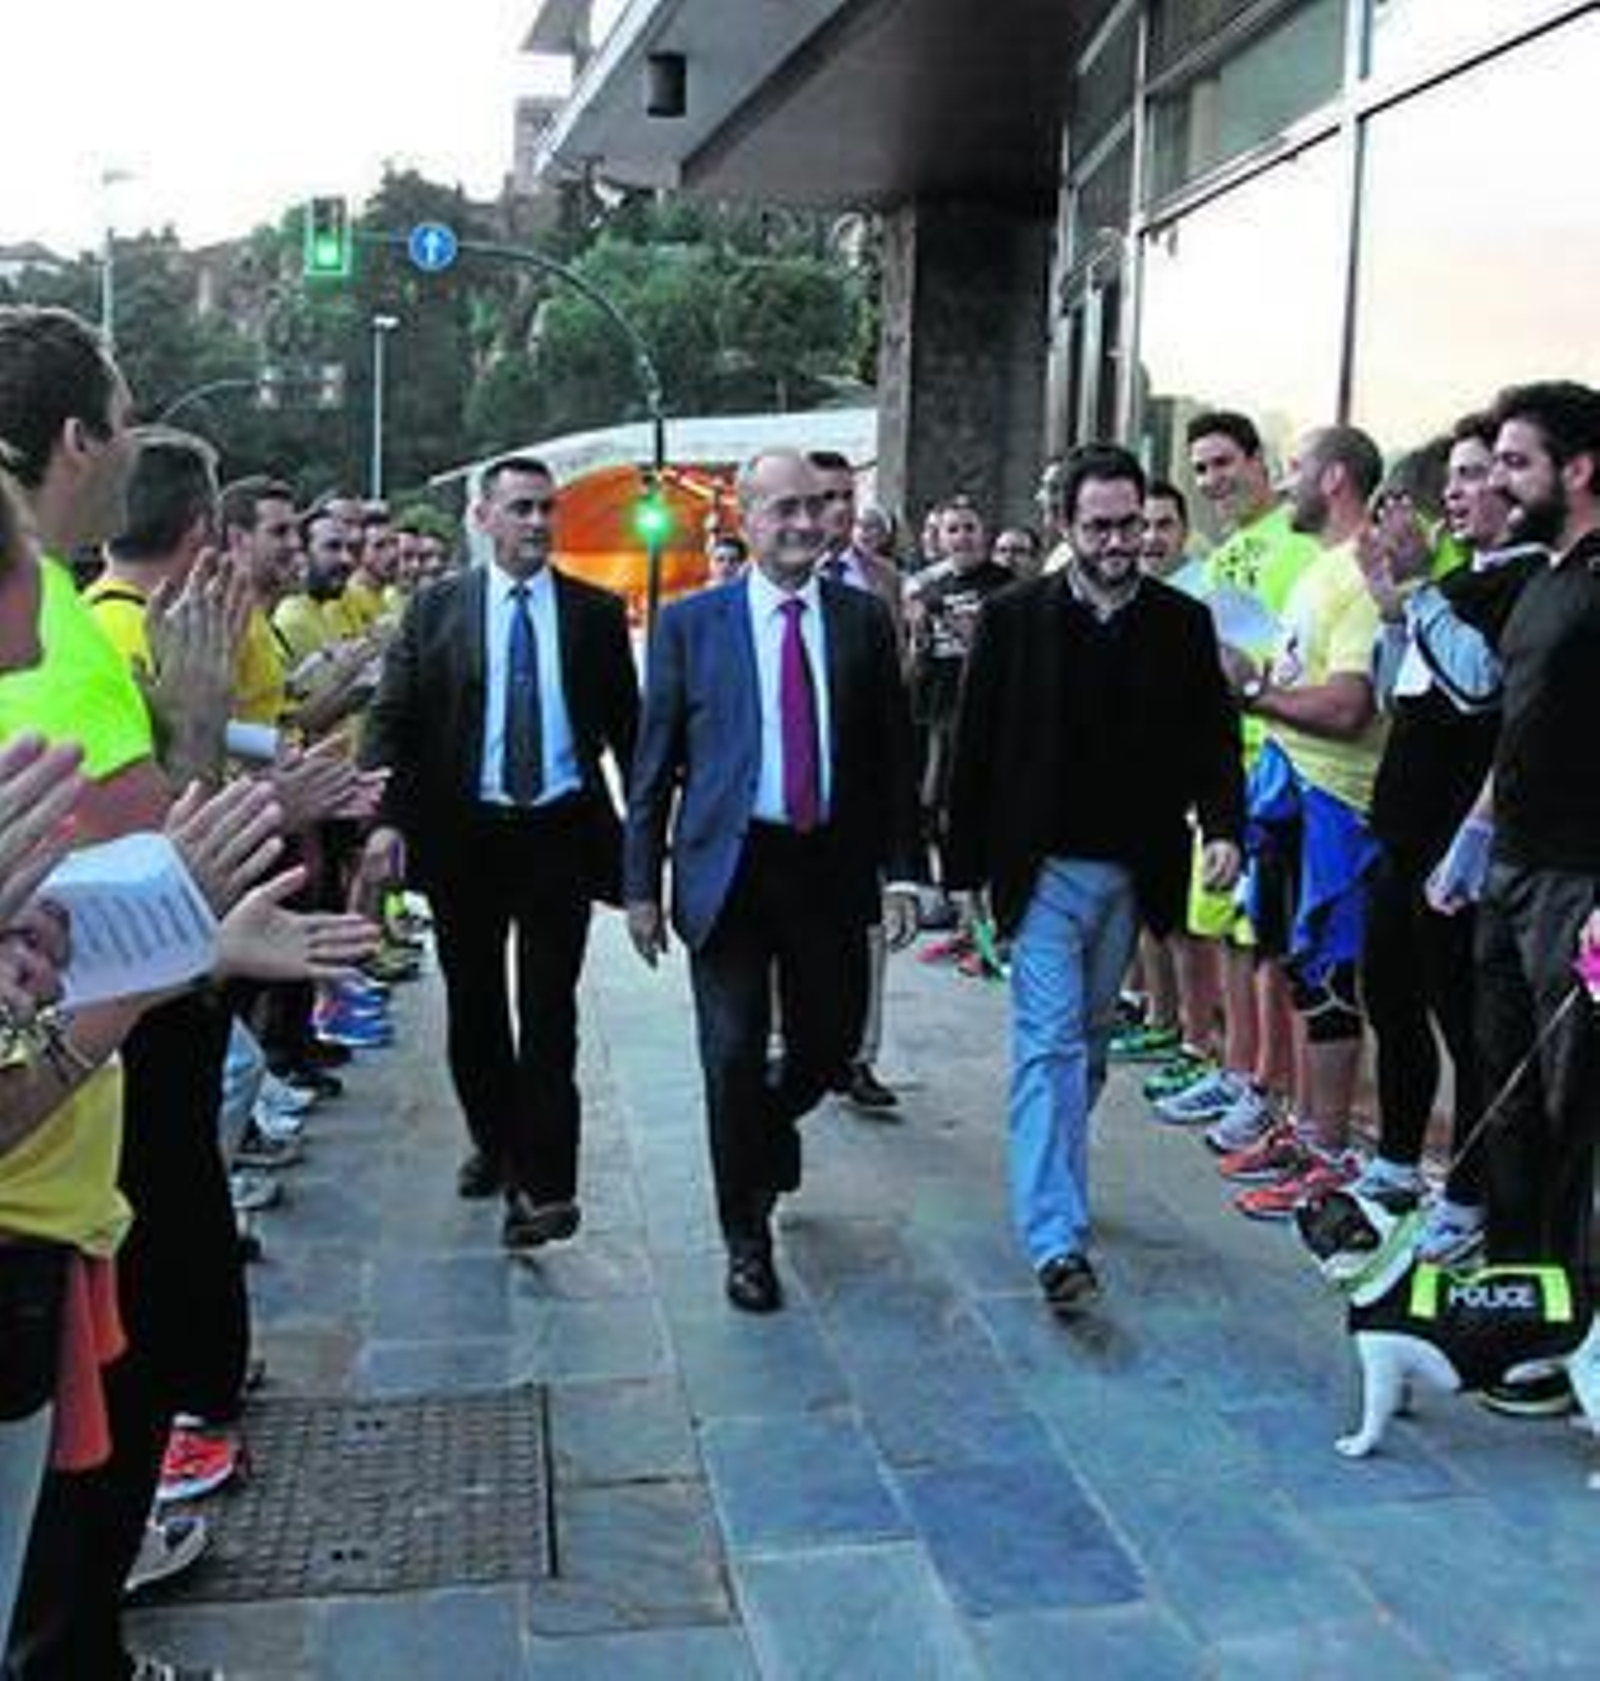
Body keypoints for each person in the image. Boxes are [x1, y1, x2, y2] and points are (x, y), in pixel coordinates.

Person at [944, 442, 1242, 1312]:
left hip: (1132, 872)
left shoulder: (1182, 625)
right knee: (1048, 1046)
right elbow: (976, 750)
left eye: (1134, 526)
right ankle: (1054, 1240)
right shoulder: (1013, 619)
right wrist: (960, 874)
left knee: (1091, 1044)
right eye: (1101, 526)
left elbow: (1211, 740)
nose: (1121, 543)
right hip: (1040, 874)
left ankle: (1059, 1180)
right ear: (1065, 527)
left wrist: (1224, 828)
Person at [624, 448, 919, 1314]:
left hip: (828, 867)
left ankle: (768, 1128)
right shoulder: (692, 625)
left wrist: (904, 872)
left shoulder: (863, 622)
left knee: (828, 1048)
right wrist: (640, 882)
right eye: (781, 508)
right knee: (730, 1054)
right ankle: (744, 1236)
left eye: (815, 508)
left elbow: (892, 758)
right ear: (744, 520)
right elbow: (654, 764)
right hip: (729, 868)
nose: (801, 523)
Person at [360, 455, 639, 1249]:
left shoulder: (593, 614)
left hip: (559, 834)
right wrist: (384, 818)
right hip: (466, 837)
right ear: (483, 518)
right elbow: (393, 718)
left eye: (547, 508)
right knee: (476, 1004)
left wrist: (652, 836)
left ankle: (545, 1185)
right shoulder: (435, 611)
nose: (537, 523)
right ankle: (495, 1137)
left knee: (551, 1012)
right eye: (520, 508)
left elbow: (631, 730)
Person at [1352, 412, 1542, 1262]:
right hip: (1399, 832)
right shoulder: (1457, 584)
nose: (1458, 495)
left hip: (1460, 848)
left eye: (1477, 475)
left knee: (1467, 1029)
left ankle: (1465, 1196)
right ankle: (1395, 1160)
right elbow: (1405, 697)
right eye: (1454, 479)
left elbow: (1476, 688)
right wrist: (1395, 611)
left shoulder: (1525, 583)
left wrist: (1419, 590)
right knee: (1389, 996)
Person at [1463, 381, 1600, 1414]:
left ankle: (1573, 1337)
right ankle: (1517, 1299)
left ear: (1579, 469)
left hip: (1578, 884)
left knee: (1574, 1111)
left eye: (1515, 462)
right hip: (1510, 871)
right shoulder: (1540, 580)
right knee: (1504, 1095)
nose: (1499, 481)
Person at [1216, 425, 1389, 1220]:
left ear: (1337, 478)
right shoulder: (1323, 569)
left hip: (1340, 808)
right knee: (1296, 967)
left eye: (1296, 468)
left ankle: (1330, 1150)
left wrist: (1252, 693)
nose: (1285, 483)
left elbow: (1351, 707)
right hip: (1290, 793)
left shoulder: (1359, 575)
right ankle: (1305, 1128)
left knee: (1329, 982)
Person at [807, 450, 907, 1111]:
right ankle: (794, 1037)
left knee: (868, 928)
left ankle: (859, 1055)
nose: (838, 509)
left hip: (861, 779)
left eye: (846, 496)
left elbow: (897, 683)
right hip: (793, 782)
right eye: (824, 497)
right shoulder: (769, 575)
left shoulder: (884, 581)